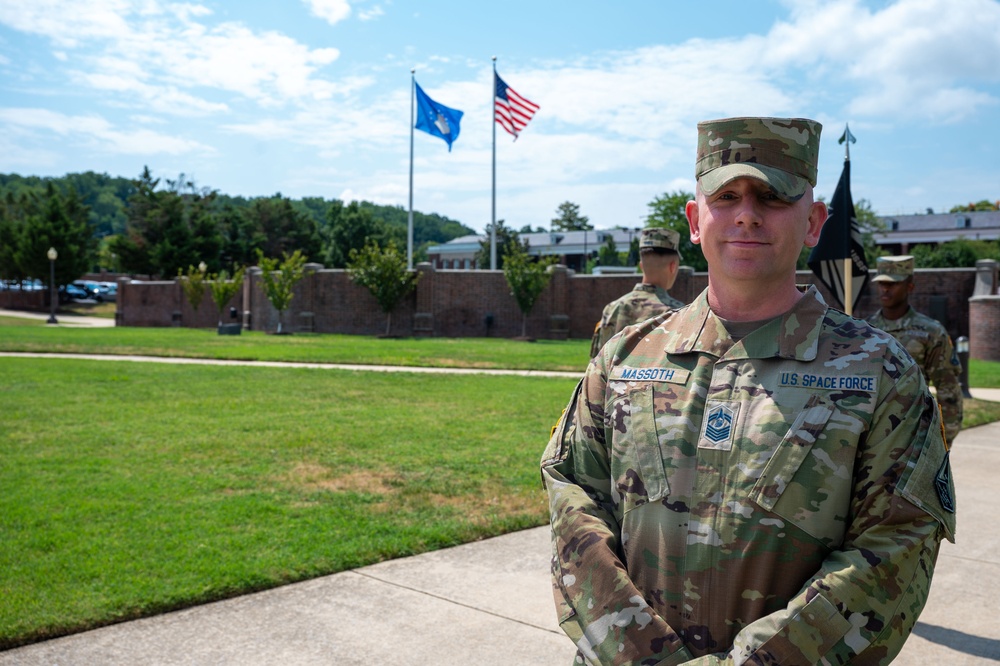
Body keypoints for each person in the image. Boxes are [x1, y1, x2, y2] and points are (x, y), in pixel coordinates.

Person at [541, 117, 956, 665]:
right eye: (726, 195)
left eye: (772, 198)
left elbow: (896, 545)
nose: (746, 214)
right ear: (695, 220)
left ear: (812, 222)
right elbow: (575, 501)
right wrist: (641, 655)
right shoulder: (624, 358)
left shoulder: (880, 374)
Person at [867, 255, 964, 444]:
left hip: (913, 436)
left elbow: (948, 389)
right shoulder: (866, 331)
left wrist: (943, 440)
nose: (885, 289)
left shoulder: (931, 332)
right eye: (881, 283)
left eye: (893, 283)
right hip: (870, 436)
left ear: (910, 286)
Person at [589, 228, 685, 357]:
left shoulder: (612, 309)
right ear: (673, 266)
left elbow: (597, 365)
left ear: (641, 266)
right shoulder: (678, 313)